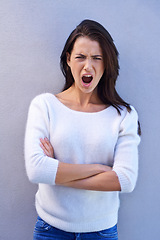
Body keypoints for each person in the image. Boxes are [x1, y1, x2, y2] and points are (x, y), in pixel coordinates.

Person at [24, 19, 141, 240]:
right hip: (51, 230)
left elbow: (125, 180)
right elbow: (37, 170)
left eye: (97, 58)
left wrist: (57, 173)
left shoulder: (124, 114)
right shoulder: (45, 106)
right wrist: (99, 168)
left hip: (101, 232)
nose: (88, 66)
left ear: (106, 63)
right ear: (68, 59)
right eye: (80, 57)